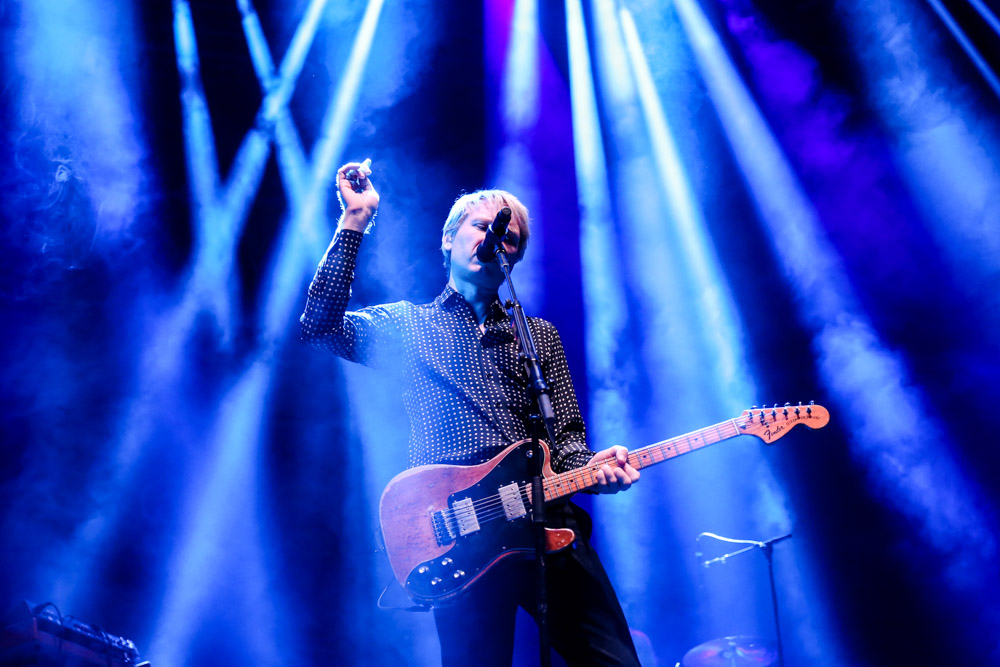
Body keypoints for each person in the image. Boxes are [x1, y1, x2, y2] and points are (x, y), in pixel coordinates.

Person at [300, 160, 642, 666]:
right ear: (448, 240)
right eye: (482, 226)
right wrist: (355, 221)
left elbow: (567, 443)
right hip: (459, 532)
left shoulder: (538, 335)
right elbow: (320, 325)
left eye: (507, 237)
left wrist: (597, 471)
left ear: (515, 258)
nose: (493, 238)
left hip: (547, 519)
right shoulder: (409, 327)